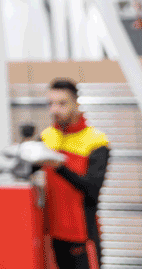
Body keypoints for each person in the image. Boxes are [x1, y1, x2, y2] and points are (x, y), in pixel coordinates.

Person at [38, 78, 110, 269]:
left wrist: (59, 166)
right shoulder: (47, 136)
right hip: (51, 234)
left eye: (62, 103)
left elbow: (92, 189)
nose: (54, 110)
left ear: (76, 104)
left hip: (82, 236)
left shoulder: (96, 141)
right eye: (51, 103)